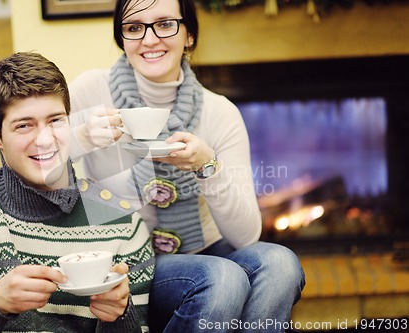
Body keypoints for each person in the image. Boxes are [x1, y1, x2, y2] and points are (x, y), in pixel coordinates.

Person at [68, 0, 305, 332]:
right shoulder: (91, 91)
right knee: (222, 277)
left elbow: (247, 236)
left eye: (165, 24)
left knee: (279, 263)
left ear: (189, 35)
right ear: (121, 38)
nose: (149, 39)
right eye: (134, 27)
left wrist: (207, 166)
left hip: (205, 248)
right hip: (127, 257)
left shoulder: (219, 112)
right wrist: (82, 135)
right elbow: (38, 163)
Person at [0, 52, 155, 333]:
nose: (45, 140)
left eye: (55, 121)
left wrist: (120, 318)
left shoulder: (122, 224)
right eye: (24, 125)